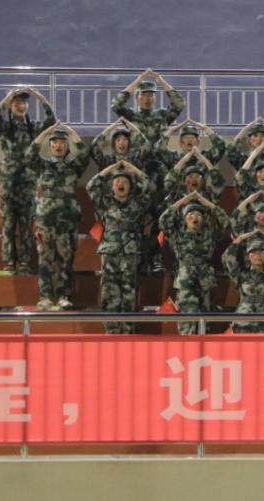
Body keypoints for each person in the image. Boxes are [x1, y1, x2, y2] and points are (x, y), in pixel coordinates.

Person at [111, 69, 186, 275]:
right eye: (144, 95)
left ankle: (156, 259)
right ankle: (138, 259)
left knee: (157, 217)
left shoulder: (161, 116)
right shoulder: (132, 117)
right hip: (137, 172)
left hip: (159, 173)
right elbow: (116, 105)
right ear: (137, 98)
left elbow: (179, 104)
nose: (147, 98)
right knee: (136, 216)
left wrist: (160, 80)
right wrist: (138, 80)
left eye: (151, 95)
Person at [0, 86, 56, 273]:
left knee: (27, 224)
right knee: (8, 225)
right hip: (8, 181)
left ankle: (25, 262)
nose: (22, 105)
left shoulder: (33, 128)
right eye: (17, 102)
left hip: (27, 181)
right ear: (11, 105)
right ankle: (9, 262)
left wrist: (41, 98)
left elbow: (51, 121)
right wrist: (8, 97)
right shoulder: (5, 127)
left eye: (25, 102)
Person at [28, 124, 89, 310]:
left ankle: (64, 295)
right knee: (45, 257)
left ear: (67, 145)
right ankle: (45, 297)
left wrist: (70, 132)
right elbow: (30, 154)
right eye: (54, 142)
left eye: (62, 142)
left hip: (67, 220)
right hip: (46, 218)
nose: (58, 146)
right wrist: (45, 133)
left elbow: (84, 153)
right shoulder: (43, 165)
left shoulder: (73, 166)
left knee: (66, 257)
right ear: (50, 146)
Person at [86, 160, 150, 334]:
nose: (121, 184)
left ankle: (129, 330)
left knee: (130, 292)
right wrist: (110, 169)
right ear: (112, 186)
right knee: (109, 292)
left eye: (125, 182)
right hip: (110, 253)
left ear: (130, 186)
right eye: (117, 181)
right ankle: (112, 330)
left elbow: (149, 186)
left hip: (130, 253)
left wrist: (133, 169)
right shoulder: (105, 203)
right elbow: (91, 186)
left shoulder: (137, 204)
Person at [159, 192, 230, 335]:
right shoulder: (177, 234)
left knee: (205, 318)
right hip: (186, 280)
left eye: (198, 215)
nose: (195, 217)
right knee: (187, 318)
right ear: (185, 218)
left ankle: (202, 345)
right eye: (190, 214)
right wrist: (183, 201)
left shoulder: (209, 233)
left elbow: (226, 222)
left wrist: (206, 203)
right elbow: (163, 220)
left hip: (205, 279)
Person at [223, 231, 264, 333]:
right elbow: (229, 260)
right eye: (254, 252)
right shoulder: (241, 275)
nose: (258, 256)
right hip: (244, 320)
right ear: (248, 256)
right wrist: (239, 240)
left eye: (262, 252)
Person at [162, 149, 226, 207]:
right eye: (190, 177)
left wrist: (205, 160)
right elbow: (168, 183)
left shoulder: (209, 196)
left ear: (203, 181)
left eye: (197, 176)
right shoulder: (177, 196)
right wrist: (183, 160)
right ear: (185, 181)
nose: (194, 179)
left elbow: (218, 182)